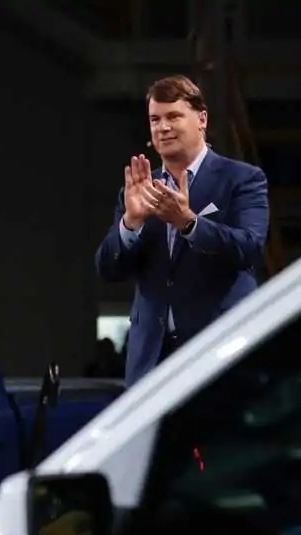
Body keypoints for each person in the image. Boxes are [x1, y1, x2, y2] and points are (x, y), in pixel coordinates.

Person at [95, 74, 270, 387]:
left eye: (174, 116)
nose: (163, 127)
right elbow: (108, 269)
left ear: (201, 119)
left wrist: (189, 223)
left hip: (219, 353)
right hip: (152, 362)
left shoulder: (242, 179)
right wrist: (130, 223)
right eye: (155, 119)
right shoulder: (138, 190)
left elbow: (249, 247)